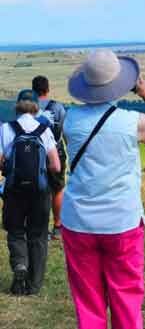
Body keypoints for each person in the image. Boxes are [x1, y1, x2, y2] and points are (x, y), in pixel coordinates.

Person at [61, 49, 145, 329]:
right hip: (121, 221)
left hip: (78, 221)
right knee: (126, 294)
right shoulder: (129, 122)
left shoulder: (70, 120)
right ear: (120, 83)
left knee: (88, 298)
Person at [0, 89, 61, 296]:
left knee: (16, 231)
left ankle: (20, 265)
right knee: (38, 235)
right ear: (37, 107)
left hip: (14, 190)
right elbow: (56, 165)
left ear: (17, 105)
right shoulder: (44, 130)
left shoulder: (6, 128)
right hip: (40, 191)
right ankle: (34, 286)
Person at [32, 75, 67, 240]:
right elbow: (64, 131)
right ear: (48, 89)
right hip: (57, 152)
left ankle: (40, 227)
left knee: (38, 191)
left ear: (33, 90)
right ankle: (58, 226)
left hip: (34, 153)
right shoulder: (58, 107)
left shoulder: (28, 107)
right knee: (57, 189)